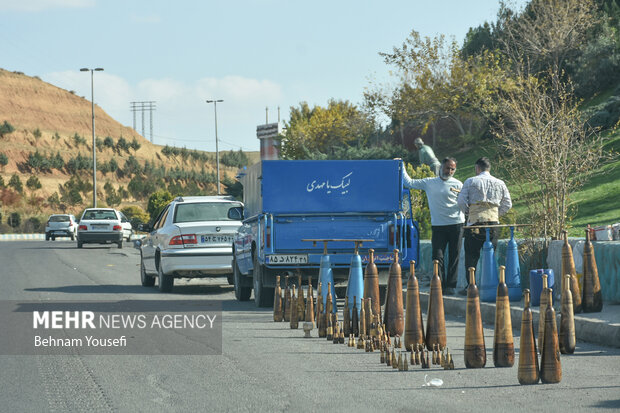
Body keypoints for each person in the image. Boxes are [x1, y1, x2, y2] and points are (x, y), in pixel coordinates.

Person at [403, 157, 464, 295]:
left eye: (452, 169)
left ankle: (451, 286)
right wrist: (400, 165)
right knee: (437, 256)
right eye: (447, 168)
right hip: (438, 225)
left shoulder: (459, 185)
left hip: (456, 224)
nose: (449, 171)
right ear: (441, 167)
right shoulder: (429, 182)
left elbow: (465, 203)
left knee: (455, 255)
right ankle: (439, 283)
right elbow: (409, 182)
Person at [457, 157, 512, 295]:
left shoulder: (470, 181)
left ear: (477, 168)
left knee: (471, 256)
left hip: (474, 224)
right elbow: (507, 204)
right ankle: (491, 285)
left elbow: (461, 201)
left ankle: (471, 286)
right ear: (489, 168)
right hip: (493, 224)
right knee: (490, 255)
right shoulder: (500, 183)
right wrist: (495, 214)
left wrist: (470, 213)